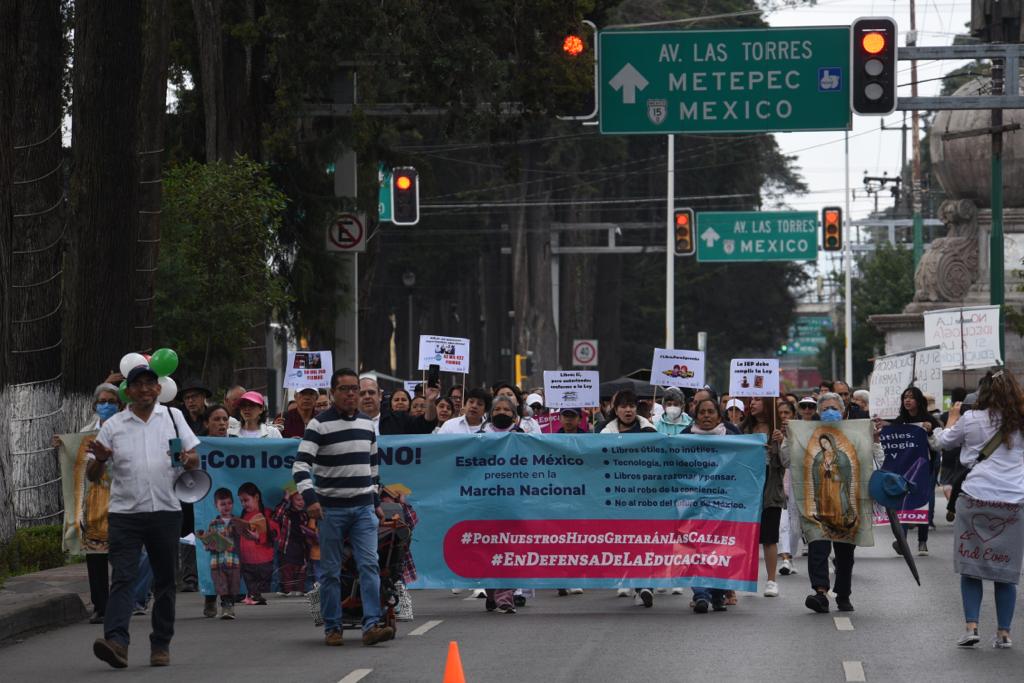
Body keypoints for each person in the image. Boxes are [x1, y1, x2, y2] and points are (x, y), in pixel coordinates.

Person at [87, 364, 200, 669]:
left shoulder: (174, 418)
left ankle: (160, 644)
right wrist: (99, 459)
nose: (145, 389)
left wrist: (189, 459)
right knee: (123, 577)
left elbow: (194, 459)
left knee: (164, 581)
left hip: (166, 510)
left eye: (150, 383)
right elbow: (92, 474)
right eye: (138, 384)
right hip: (126, 514)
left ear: (158, 389)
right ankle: (116, 642)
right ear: (129, 391)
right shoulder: (114, 426)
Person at [293, 367, 395, 646]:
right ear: (332, 393)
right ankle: (333, 627)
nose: (352, 394)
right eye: (345, 389)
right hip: (330, 510)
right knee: (330, 571)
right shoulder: (318, 425)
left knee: (370, 566)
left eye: (355, 390)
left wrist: (375, 502)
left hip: (363, 509)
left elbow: (373, 467)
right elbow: (301, 466)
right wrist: (311, 500)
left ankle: (372, 625)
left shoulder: (366, 425)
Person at [936, 369, 1024, 649]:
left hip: (975, 496)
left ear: (983, 391)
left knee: (971, 567)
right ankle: (1004, 633)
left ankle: (971, 626)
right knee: (1006, 570)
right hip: (1013, 500)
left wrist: (950, 419)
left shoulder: (970, 418)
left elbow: (941, 442)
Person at [802, 392, 884, 615]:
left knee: (845, 552)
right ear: (819, 412)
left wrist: (875, 442)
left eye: (834, 408)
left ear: (843, 411)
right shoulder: (805, 436)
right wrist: (785, 442)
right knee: (817, 545)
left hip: (845, 502)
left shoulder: (856, 437)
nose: (830, 412)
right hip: (820, 505)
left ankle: (843, 593)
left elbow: (875, 462)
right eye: (826, 408)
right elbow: (794, 462)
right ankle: (820, 592)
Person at [65, 383, 123, 624]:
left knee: (122, 555)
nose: (106, 405)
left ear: (119, 405)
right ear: (95, 405)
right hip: (97, 499)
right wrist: (63, 445)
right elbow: (77, 455)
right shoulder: (87, 432)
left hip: (123, 498)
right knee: (96, 554)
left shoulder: (126, 428)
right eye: (102, 401)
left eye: (111, 401)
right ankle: (101, 605)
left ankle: (124, 602)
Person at [684, 398, 734, 612]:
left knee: (719, 547)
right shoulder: (684, 438)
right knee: (696, 546)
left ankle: (718, 593)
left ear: (719, 416)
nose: (706, 415)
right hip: (692, 503)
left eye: (710, 412)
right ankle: (701, 594)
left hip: (723, 503)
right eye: (702, 412)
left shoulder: (733, 438)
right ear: (696, 416)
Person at [740, 397, 788, 598]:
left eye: (758, 400)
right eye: (751, 400)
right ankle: (746, 578)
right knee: (746, 535)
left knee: (769, 537)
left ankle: (771, 580)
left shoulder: (778, 430)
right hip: (746, 486)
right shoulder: (742, 428)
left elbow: (787, 462)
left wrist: (781, 442)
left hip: (770, 486)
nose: (752, 403)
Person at [891, 385, 941, 555]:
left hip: (925, 468)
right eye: (905, 397)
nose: (907, 400)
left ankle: (922, 541)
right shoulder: (899, 422)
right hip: (904, 470)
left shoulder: (930, 421)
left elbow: (938, 446)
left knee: (922, 504)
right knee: (903, 504)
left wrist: (929, 432)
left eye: (911, 397)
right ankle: (902, 541)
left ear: (918, 401)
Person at [197, 488, 241, 619]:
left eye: (229, 503)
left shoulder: (238, 522)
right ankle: (226, 608)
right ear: (216, 506)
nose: (226, 506)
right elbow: (207, 544)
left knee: (233, 586)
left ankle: (230, 605)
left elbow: (243, 542)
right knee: (221, 586)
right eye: (222, 504)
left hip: (234, 561)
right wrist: (209, 544)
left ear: (233, 504)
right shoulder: (213, 524)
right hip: (217, 562)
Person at [236, 482, 279, 605]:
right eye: (241, 501)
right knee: (253, 593)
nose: (243, 504)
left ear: (256, 497)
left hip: (263, 563)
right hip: (247, 562)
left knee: (262, 593)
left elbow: (275, 534)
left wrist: (258, 537)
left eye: (246, 500)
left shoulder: (266, 514)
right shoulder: (243, 515)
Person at [272, 481, 314, 596]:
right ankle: (287, 603)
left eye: (303, 500)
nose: (302, 503)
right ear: (291, 500)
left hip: (302, 553)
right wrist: (285, 499)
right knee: (287, 582)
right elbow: (276, 516)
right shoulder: (286, 513)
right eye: (298, 500)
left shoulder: (306, 515)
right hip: (287, 552)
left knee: (301, 582)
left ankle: (298, 605)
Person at [359, 375, 438, 435]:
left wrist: (430, 401)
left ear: (380, 396)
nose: (367, 397)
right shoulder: (347, 423)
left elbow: (426, 424)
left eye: (371, 393)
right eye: (362, 394)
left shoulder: (398, 420)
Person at [775, 400, 801, 575]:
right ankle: (785, 558)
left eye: (787, 413)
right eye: (781, 413)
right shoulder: (772, 432)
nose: (784, 417)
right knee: (782, 524)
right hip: (775, 484)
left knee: (794, 525)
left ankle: (790, 556)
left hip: (794, 482)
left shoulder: (800, 433)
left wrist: (788, 439)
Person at [939, 388, 969, 500]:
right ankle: (957, 503)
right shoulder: (969, 415)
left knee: (947, 482)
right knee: (962, 483)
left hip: (948, 453)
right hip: (963, 454)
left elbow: (942, 435)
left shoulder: (946, 416)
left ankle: (951, 504)